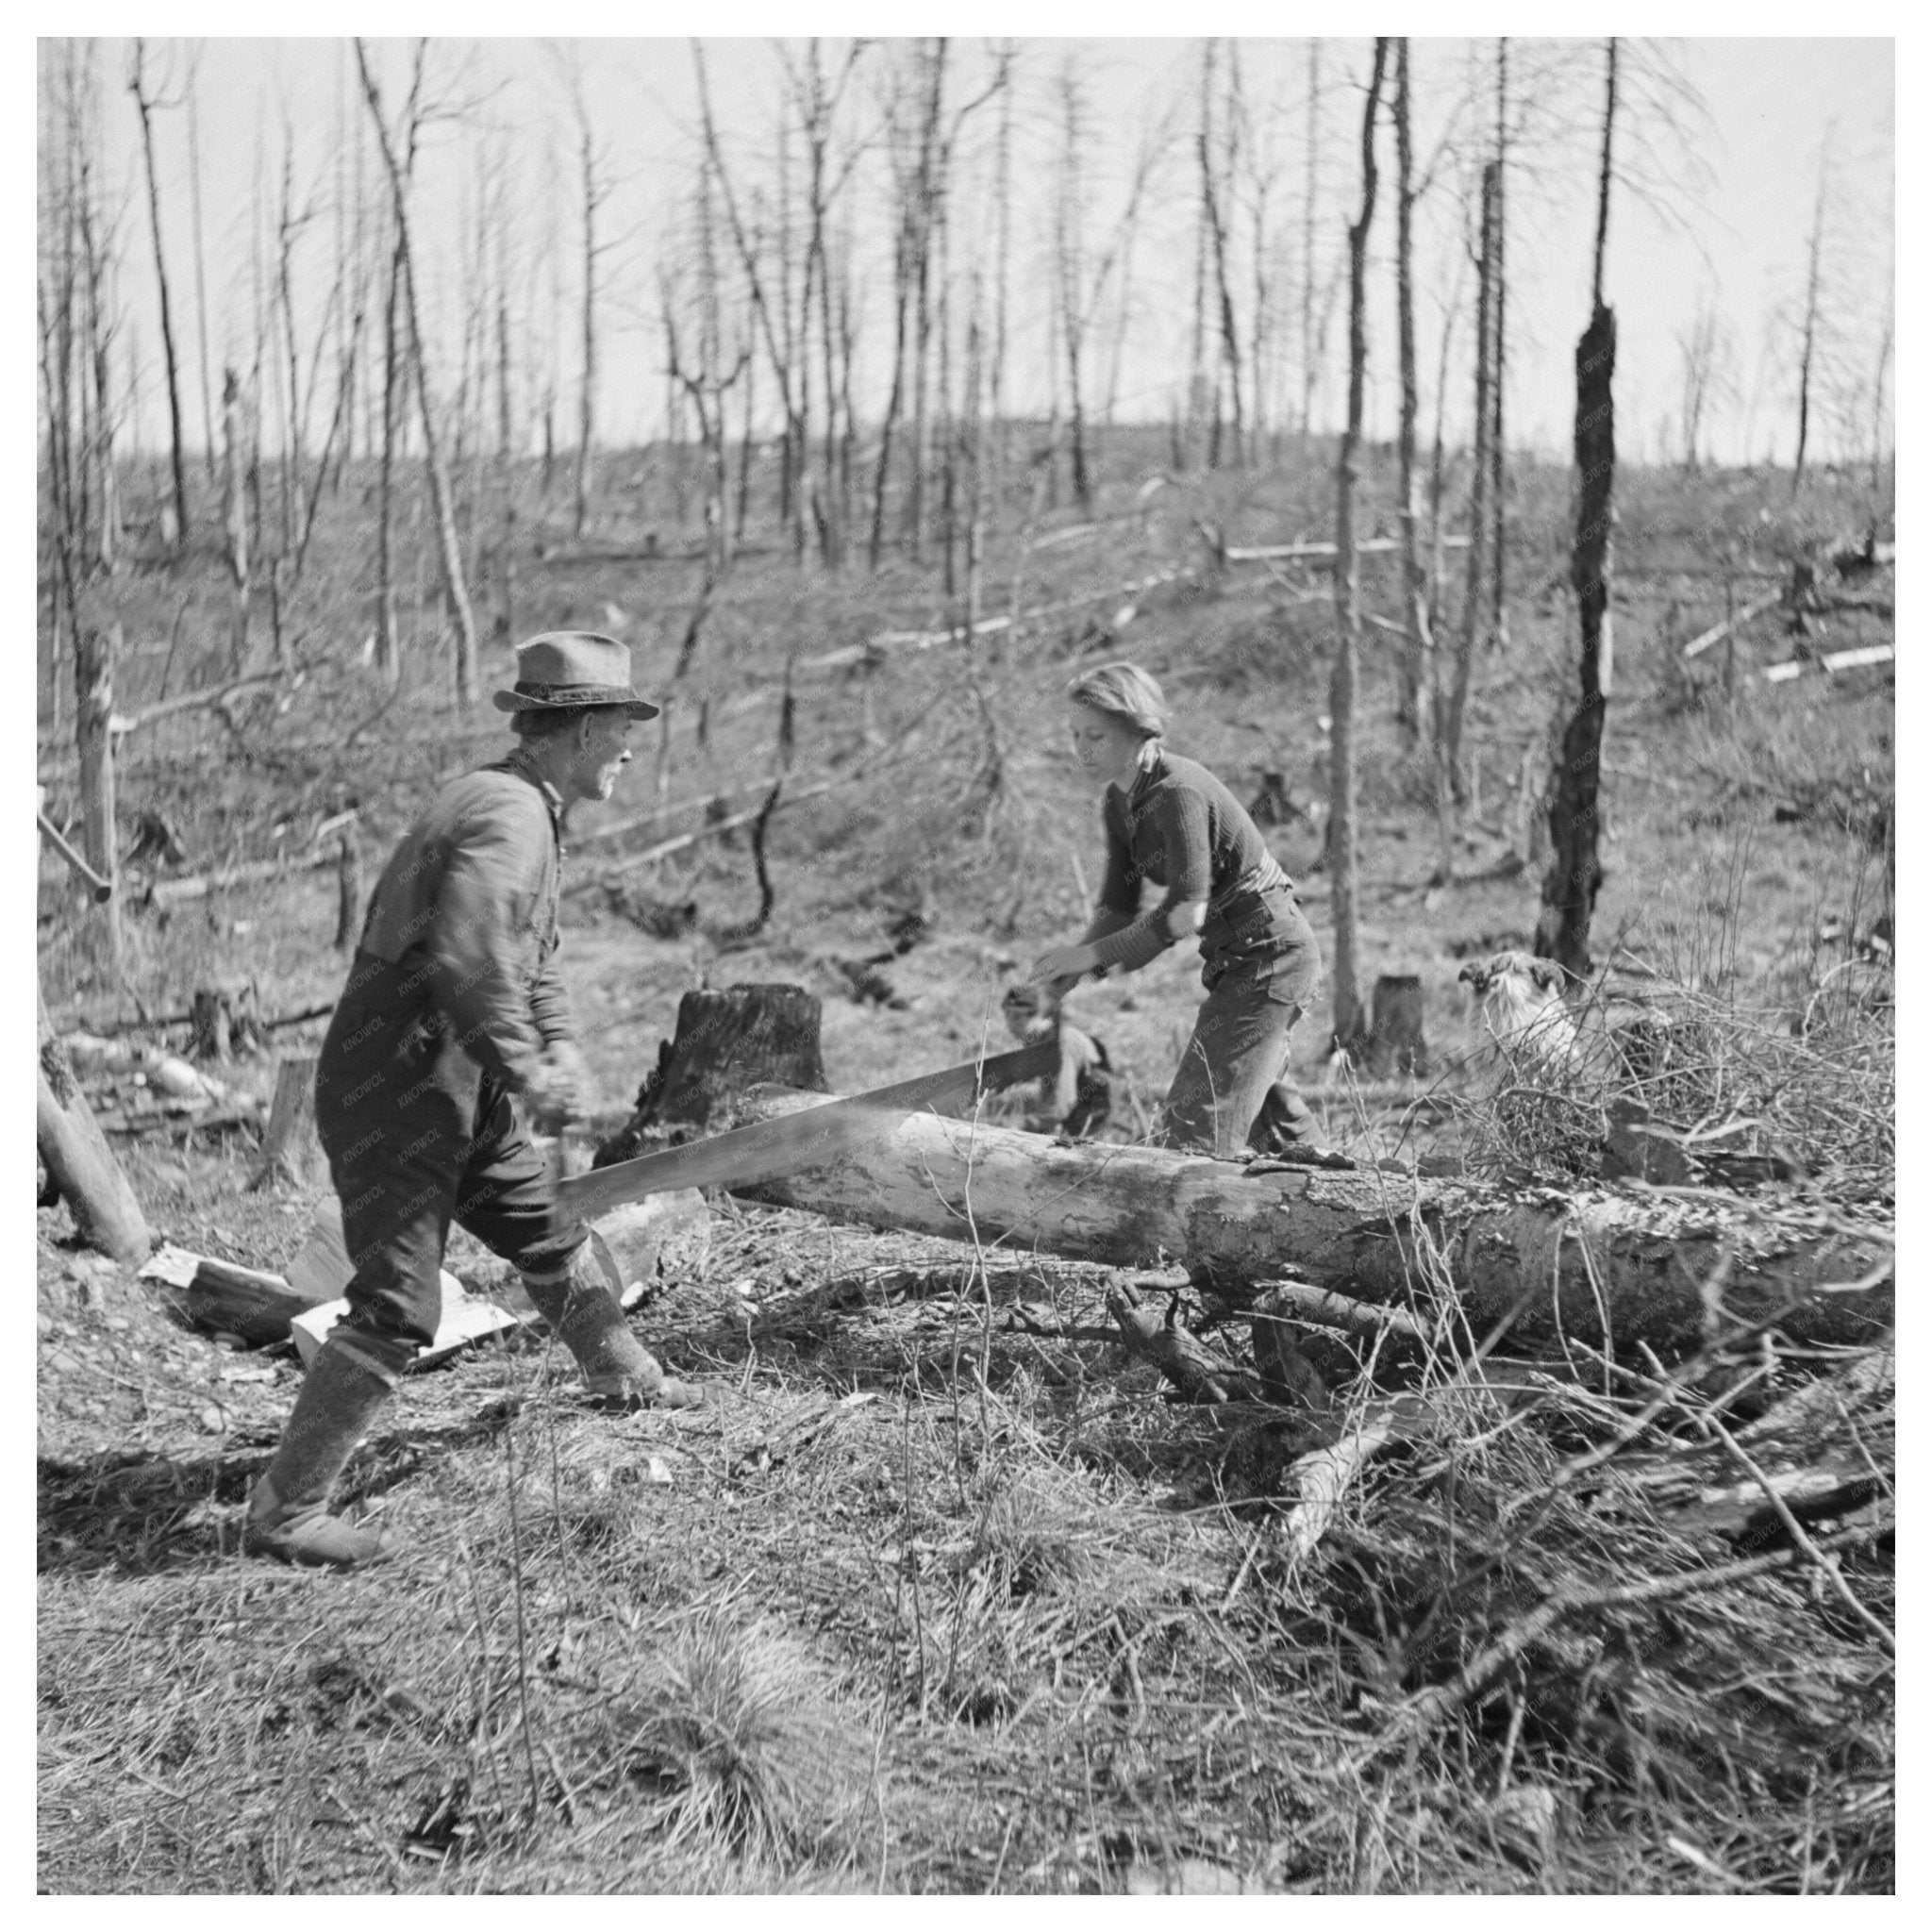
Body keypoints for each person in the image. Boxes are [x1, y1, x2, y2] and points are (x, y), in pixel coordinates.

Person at [246, 632, 700, 1572]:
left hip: (455, 1079)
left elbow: (528, 962)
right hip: (403, 1083)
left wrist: (558, 1048)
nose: (630, 746)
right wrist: (530, 1073)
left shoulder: (525, 807)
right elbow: (468, 962)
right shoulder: (507, 814)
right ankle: (285, 1511)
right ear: (575, 728)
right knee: (398, 1308)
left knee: (547, 1225)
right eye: (622, 726)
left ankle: (621, 1369)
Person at [1027, 661, 1324, 1159]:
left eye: (1097, 735)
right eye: (1076, 734)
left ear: (1139, 731)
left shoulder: (1176, 792)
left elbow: (1187, 912)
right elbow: (1119, 908)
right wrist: (1069, 970)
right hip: (1233, 960)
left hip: (1272, 954)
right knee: (1276, 1132)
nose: (1082, 748)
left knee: (1195, 1130)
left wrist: (1094, 955)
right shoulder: (1118, 802)